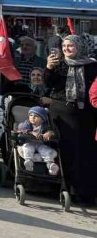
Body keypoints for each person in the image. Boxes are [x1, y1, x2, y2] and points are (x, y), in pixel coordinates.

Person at [44, 35, 97, 202]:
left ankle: (84, 192)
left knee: (85, 153)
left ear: (80, 47)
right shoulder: (59, 64)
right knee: (64, 152)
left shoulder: (92, 65)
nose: (66, 49)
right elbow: (48, 84)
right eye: (64, 46)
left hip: (86, 115)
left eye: (71, 46)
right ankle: (63, 189)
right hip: (61, 113)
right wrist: (48, 68)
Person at [15, 105, 59, 175]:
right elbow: (20, 129)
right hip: (29, 142)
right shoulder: (27, 123)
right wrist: (31, 132)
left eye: (36, 116)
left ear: (42, 119)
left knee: (46, 150)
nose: (32, 117)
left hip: (40, 144)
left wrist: (48, 133)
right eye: (31, 115)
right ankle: (28, 161)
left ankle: (50, 164)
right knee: (27, 147)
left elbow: (51, 132)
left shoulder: (45, 126)